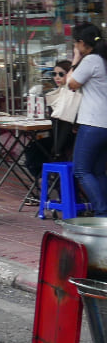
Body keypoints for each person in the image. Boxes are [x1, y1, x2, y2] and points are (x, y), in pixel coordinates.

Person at [67, 24, 107, 216]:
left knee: (81, 170)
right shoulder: (104, 59)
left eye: (76, 43)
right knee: (98, 172)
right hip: (104, 125)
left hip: (92, 123)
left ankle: (102, 212)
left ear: (82, 43)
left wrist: (76, 59)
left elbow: (71, 83)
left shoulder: (91, 60)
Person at [46, 60, 80, 161]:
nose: (57, 77)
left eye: (61, 74)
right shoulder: (55, 94)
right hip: (59, 139)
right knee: (32, 149)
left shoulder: (73, 95)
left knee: (36, 150)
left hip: (68, 140)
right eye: (54, 74)